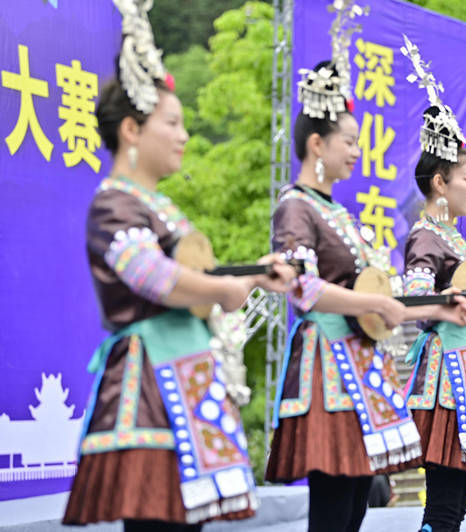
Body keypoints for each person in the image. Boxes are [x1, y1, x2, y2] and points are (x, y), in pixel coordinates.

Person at [63, 3, 295, 529]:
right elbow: (155, 278)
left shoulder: (158, 205)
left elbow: (195, 280)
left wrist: (250, 274)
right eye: (172, 123)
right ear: (131, 130)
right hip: (148, 381)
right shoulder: (113, 203)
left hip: (188, 377)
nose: (184, 136)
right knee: (157, 518)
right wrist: (224, 287)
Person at [264, 58, 466, 532]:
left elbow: (386, 293)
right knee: (335, 503)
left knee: (357, 499)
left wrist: (439, 304)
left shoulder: (338, 212)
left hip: (361, 363)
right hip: (328, 366)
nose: (357, 151)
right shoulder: (295, 206)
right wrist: (372, 304)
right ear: (317, 144)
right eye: (349, 142)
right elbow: (303, 287)